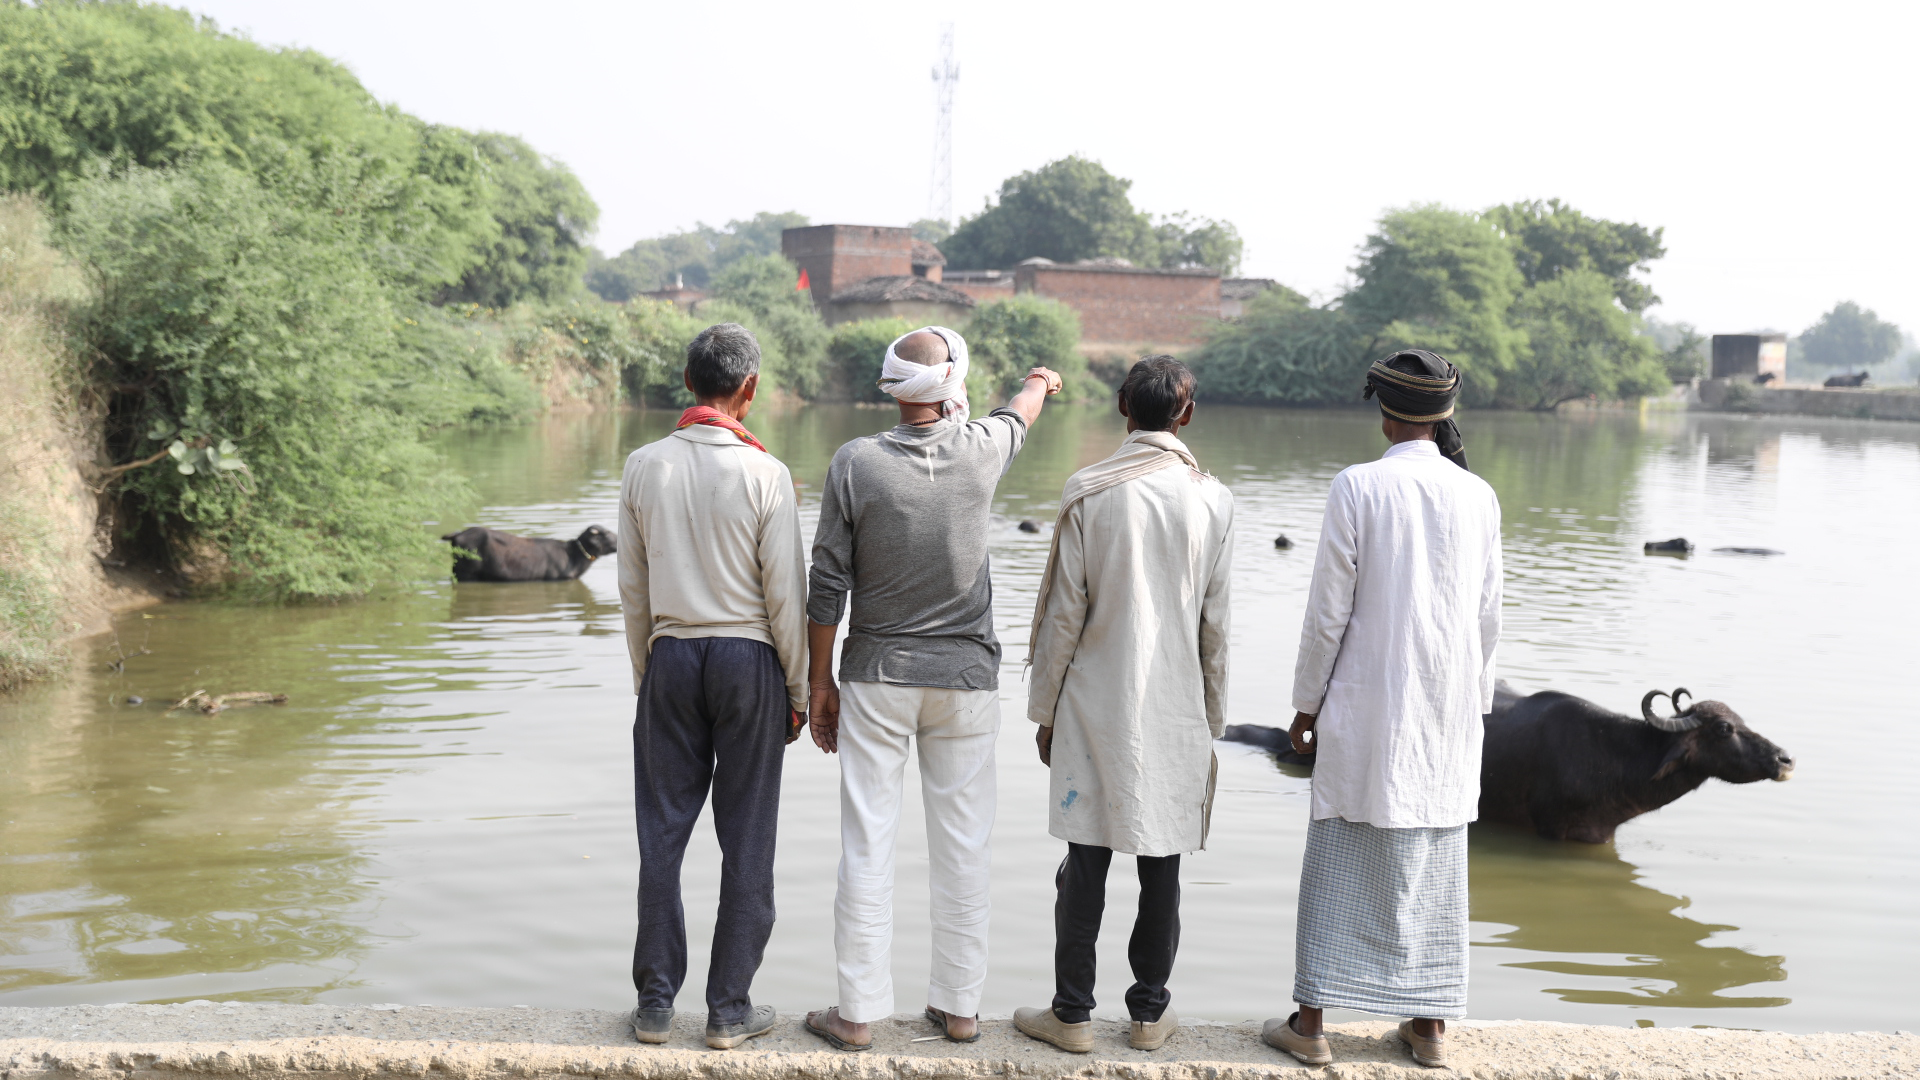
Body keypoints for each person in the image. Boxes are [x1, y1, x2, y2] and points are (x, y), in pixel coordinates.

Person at [802, 326, 1062, 1051]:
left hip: (876, 677)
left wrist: (819, 683)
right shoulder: (982, 447)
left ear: (892, 387)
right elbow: (1023, 410)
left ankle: (857, 1014)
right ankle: (958, 1009)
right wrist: (1042, 379)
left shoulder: (855, 463)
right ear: (954, 384)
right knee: (964, 845)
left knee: (866, 843)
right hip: (966, 680)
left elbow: (826, 583)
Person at [1263, 349, 1502, 1070]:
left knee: (1339, 850)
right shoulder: (1478, 494)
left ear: (1386, 413)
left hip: (1368, 705)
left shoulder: (1356, 487)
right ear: (1446, 414)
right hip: (1448, 710)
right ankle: (1428, 1028)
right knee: (1435, 860)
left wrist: (1305, 704)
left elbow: (1328, 612)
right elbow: (1489, 618)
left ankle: (1310, 1025)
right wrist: (1475, 706)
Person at [1013, 356, 1234, 1054]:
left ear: (1121, 407)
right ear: (1187, 415)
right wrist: (1214, 723)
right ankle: (1148, 1015)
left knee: (1086, 861)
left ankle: (1072, 1015)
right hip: (1176, 711)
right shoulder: (1214, 500)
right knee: (1161, 863)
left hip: (1092, 706)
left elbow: (1063, 616)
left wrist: (1044, 709)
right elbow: (1216, 627)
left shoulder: (1089, 490)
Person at [618, 323, 808, 1051]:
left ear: (688, 382)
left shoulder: (643, 465)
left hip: (670, 654)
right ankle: (730, 1010)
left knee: (661, 837)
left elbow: (632, 587)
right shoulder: (766, 474)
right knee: (748, 837)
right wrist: (795, 691)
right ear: (749, 390)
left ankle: (655, 1005)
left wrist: (648, 674)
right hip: (748, 660)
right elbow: (784, 595)